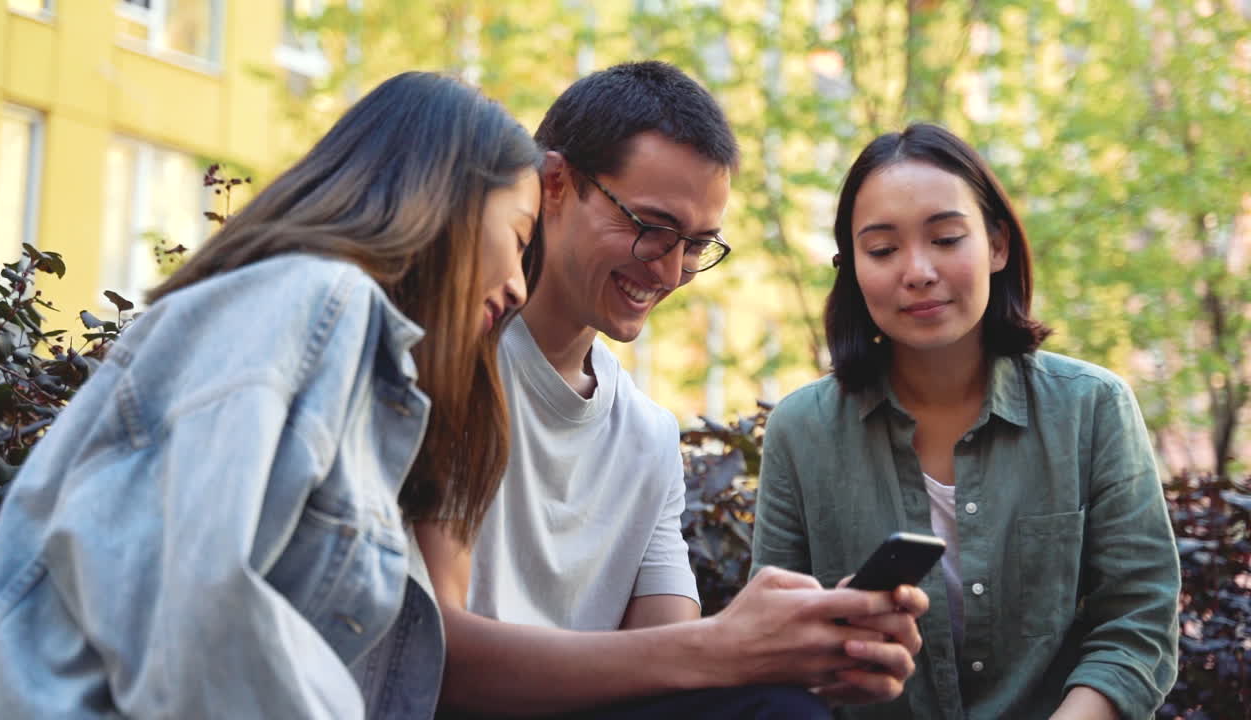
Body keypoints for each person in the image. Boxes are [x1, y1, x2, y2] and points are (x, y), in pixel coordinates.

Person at [0, 71, 543, 719]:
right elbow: (197, 598)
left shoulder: (314, 323)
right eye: (520, 239)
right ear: (448, 197)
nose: (520, 287)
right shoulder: (320, 300)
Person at [411, 61, 929, 719]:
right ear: (556, 183)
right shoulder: (451, 357)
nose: (670, 269)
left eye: (697, 245)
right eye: (651, 226)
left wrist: (803, 650)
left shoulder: (647, 436)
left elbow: (667, 661)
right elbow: (429, 658)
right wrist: (726, 647)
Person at [752, 123, 1180, 719]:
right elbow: (773, 650)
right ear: (851, 268)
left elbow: (1139, 620)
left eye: (947, 238)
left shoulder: (1093, 407)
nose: (918, 270)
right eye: (881, 250)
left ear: (998, 245)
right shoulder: (802, 430)